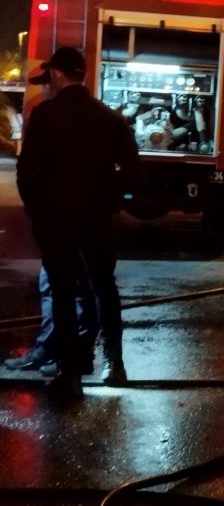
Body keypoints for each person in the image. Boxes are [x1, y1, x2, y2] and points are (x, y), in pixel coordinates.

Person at [17, 46, 143, 403]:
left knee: (62, 294)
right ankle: (115, 364)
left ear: (57, 74)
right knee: (105, 289)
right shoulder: (109, 118)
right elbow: (135, 174)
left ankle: (70, 374)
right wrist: (107, 198)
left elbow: (27, 175)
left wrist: (39, 213)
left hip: (56, 222)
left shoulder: (44, 116)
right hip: (96, 221)